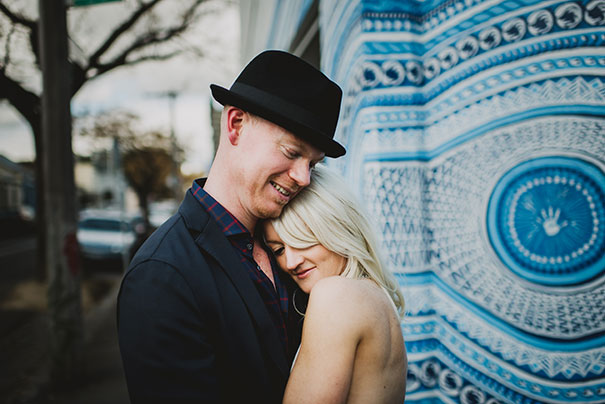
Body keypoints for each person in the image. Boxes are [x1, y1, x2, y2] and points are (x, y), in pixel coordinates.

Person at [117, 50, 345, 404]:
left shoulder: (296, 245)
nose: (303, 177)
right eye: (291, 152)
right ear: (236, 124)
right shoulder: (162, 274)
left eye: (313, 164)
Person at [263, 164, 408, 404]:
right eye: (278, 250)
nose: (291, 262)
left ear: (339, 228)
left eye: (303, 240)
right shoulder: (374, 295)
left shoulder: (336, 295)